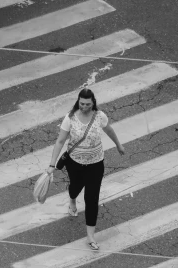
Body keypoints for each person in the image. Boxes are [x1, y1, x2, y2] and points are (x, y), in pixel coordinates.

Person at [48, 87, 125, 250]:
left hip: (96, 164)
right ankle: (72, 200)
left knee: (92, 199)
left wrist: (118, 145)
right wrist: (51, 164)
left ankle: (90, 236)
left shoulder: (99, 116)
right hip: (74, 163)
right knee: (75, 188)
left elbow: (109, 129)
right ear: (78, 102)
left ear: (93, 103)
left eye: (88, 104)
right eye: (82, 103)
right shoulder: (70, 118)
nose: (84, 107)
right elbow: (60, 141)